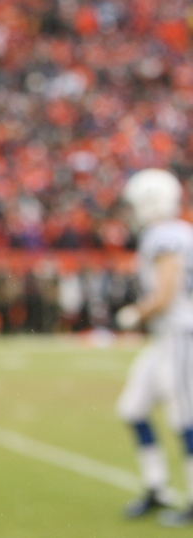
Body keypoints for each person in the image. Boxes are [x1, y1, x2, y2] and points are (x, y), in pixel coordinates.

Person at [115, 169, 193, 525]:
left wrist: (137, 312)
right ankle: (157, 488)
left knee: (185, 418)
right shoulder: (174, 231)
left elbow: (166, 290)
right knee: (133, 408)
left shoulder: (165, 235)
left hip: (181, 334)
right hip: (167, 337)